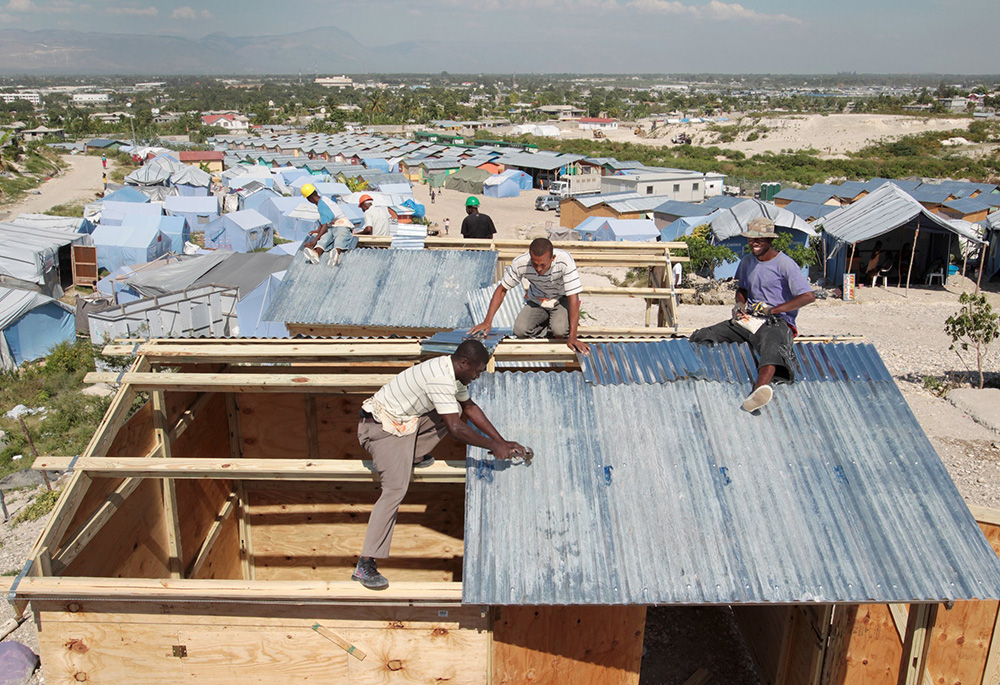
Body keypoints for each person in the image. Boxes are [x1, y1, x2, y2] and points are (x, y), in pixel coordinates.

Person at [353, 340, 527, 590]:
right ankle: (365, 564)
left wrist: (502, 441)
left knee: (454, 408)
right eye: (477, 372)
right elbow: (456, 429)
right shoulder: (440, 378)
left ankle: (411, 456)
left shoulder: (453, 373)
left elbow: (470, 408)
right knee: (395, 489)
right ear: (464, 363)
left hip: (404, 424)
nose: (477, 377)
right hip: (380, 429)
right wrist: (493, 446)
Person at [689, 217, 815, 413]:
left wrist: (773, 310)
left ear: (770, 240)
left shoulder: (785, 264)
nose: (754, 243)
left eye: (759, 239)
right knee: (704, 334)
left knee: (772, 348)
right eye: (751, 239)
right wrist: (740, 304)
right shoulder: (747, 262)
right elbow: (742, 289)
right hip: (750, 319)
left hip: (776, 321)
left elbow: (808, 296)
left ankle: (759, 391)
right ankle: (701, 375)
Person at [469, 238, 590, 354]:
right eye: (534, 264)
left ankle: (556, 324)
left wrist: (573, 337)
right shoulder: (521, 263)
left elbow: (573, 298)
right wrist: (487, 321)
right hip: (537, 299)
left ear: (552, 258)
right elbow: (501, 290)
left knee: (559, 331)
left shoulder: (564, 260)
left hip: (560, 299)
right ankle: (547, 325)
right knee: (520, 331)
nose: (538, 269)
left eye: (543, 265)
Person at [300, 183, 356, 265]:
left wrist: (313, 242)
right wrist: (317, 231)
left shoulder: (322, 205)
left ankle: (334, 254)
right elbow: (323, 221)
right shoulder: (323, 200)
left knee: (340, 236)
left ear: (309, 199)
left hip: (342, 224)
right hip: (332, 226)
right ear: (315, 192)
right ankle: (317, 254)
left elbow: (324, 226)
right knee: (325, 237)